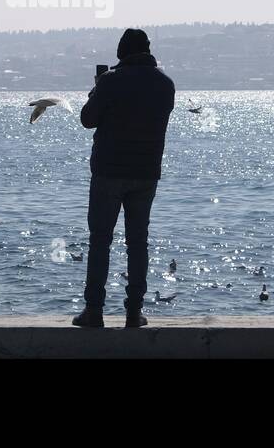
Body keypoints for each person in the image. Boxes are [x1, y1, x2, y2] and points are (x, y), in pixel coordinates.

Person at [73, 28, 175, 329]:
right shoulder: (165, 85)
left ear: (122, 53)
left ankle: (94, 311)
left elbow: (87, 119)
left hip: (108, 172)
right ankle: (133, 313)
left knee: (100, 242)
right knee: (138, 243)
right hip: (145, 174)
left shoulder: (110, 82)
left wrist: (97, 91)